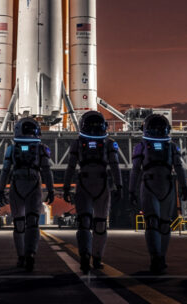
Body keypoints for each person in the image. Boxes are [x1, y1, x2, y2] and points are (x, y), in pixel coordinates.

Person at [63, 110, 123, 272]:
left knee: (86, 224)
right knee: (99, 225)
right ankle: (95, 257)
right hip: (101, 183)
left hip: (85, 182)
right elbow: (115, 166)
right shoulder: (109, 143)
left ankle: (87, 256)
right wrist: (119, 186)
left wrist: (66, 187)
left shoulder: (79, 143)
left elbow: (70, 166)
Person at [129, 113, 187, 274]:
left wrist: (131, 190)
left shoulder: (144, 146)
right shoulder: (169, 146)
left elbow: (135, 171)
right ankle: (157, 257)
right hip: (163, 185)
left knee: (161, 224)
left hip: (154, 184)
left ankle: (159, 257)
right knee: (157, 224)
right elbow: (180, 169)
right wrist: (184, 187)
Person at [0, 116, 55, 271]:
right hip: (33, 184)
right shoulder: (40, 148)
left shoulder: (11, 149)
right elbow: (47, 171)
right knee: (32, 223)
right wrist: (50, 190)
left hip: (17, 185)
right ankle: (30, 254)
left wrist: (0, 190)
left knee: (20, 224)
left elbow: (5, 171)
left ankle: (22, 256)